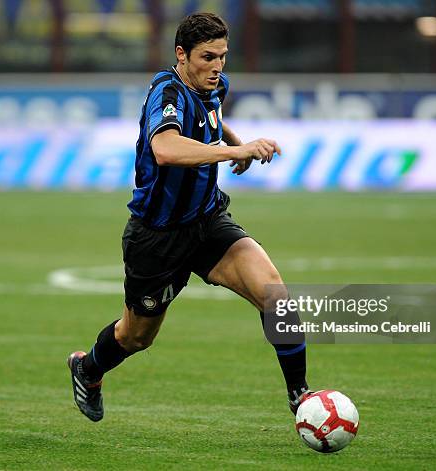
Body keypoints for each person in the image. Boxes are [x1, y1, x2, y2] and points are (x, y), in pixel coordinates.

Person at [67, 12, 309, 423]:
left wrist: (229, 137)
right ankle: (88, 369)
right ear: (181, 55)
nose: (217, 67)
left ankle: (301, 399)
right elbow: (167, 149)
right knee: (136, 336)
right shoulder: (167, 91)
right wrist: (236, 151)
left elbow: (210, 115)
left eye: (223, 57)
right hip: (156, 238)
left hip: (207, 222)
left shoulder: (214, 85)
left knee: (277, 298)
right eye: (207, 57)